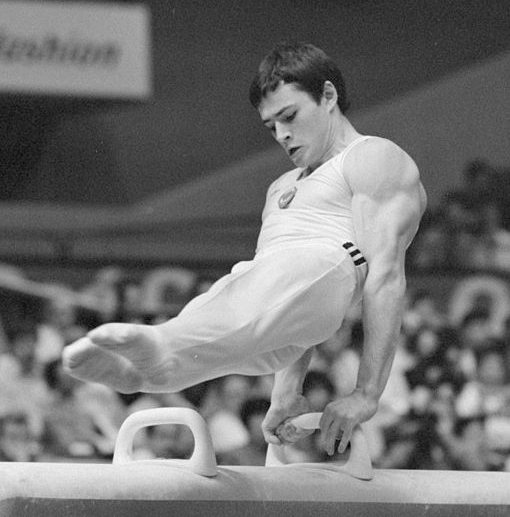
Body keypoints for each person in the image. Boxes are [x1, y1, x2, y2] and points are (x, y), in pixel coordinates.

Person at [63, 42, 426, 457]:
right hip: (286, 318)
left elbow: (386, 277)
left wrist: (366, 393)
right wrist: (286, 393)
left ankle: (163, 349)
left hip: (331, 268)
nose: (282, 135)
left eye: (289, 116)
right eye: (271, 127)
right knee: (230, 301)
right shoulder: (280, 190)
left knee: (289, 276)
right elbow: (276, 297)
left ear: (328, 96)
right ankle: (150, 374)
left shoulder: (373, 158)